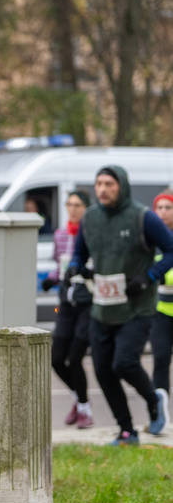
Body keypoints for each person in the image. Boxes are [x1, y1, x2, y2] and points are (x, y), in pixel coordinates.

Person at [68, 166, 172, 445]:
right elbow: (79, 253)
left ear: (122, 186)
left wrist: (149, 277)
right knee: (102, 370)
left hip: (137, 307)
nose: (102, 189)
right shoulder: (90, 219)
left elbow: (171, 249)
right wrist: (75, 267)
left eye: (109, 184)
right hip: (103, 307)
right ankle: (127, 430)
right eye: (98, 183)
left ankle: (154, 401)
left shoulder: (142, 217)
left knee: (124, 362)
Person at [41, 190, 93, 428]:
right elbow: (58, 267)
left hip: (87, 302)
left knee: (75, 357)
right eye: (69, 204)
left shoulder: (93, 234)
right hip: (66, 302)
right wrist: (51, 280)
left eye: (78, 205)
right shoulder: (61, 235)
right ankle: (78, 398)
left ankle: (85, 409)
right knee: (56, 358)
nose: (72, 209)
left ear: (87, 209)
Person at [148, 190, 173, 431]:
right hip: (161, 313)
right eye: (160, 208)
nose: (164, 212)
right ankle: (159, 415)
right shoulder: (152, 241)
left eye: (168, 207)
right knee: (161, 360)